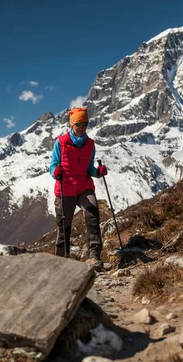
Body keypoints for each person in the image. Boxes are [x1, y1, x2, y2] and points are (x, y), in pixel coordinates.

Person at [49, 107, 108, 269]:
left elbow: (89, 167)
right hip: (65, 188)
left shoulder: (90, 144)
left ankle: (94, 256)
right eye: (78, 124)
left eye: (85, 124)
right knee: (63, 224)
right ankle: (62, 260)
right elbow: (53, 165)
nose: (81, 128)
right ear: (71, 124)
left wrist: (97, 172)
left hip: (84, 187)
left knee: (92, 214)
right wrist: (56, 171)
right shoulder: (60, 143)